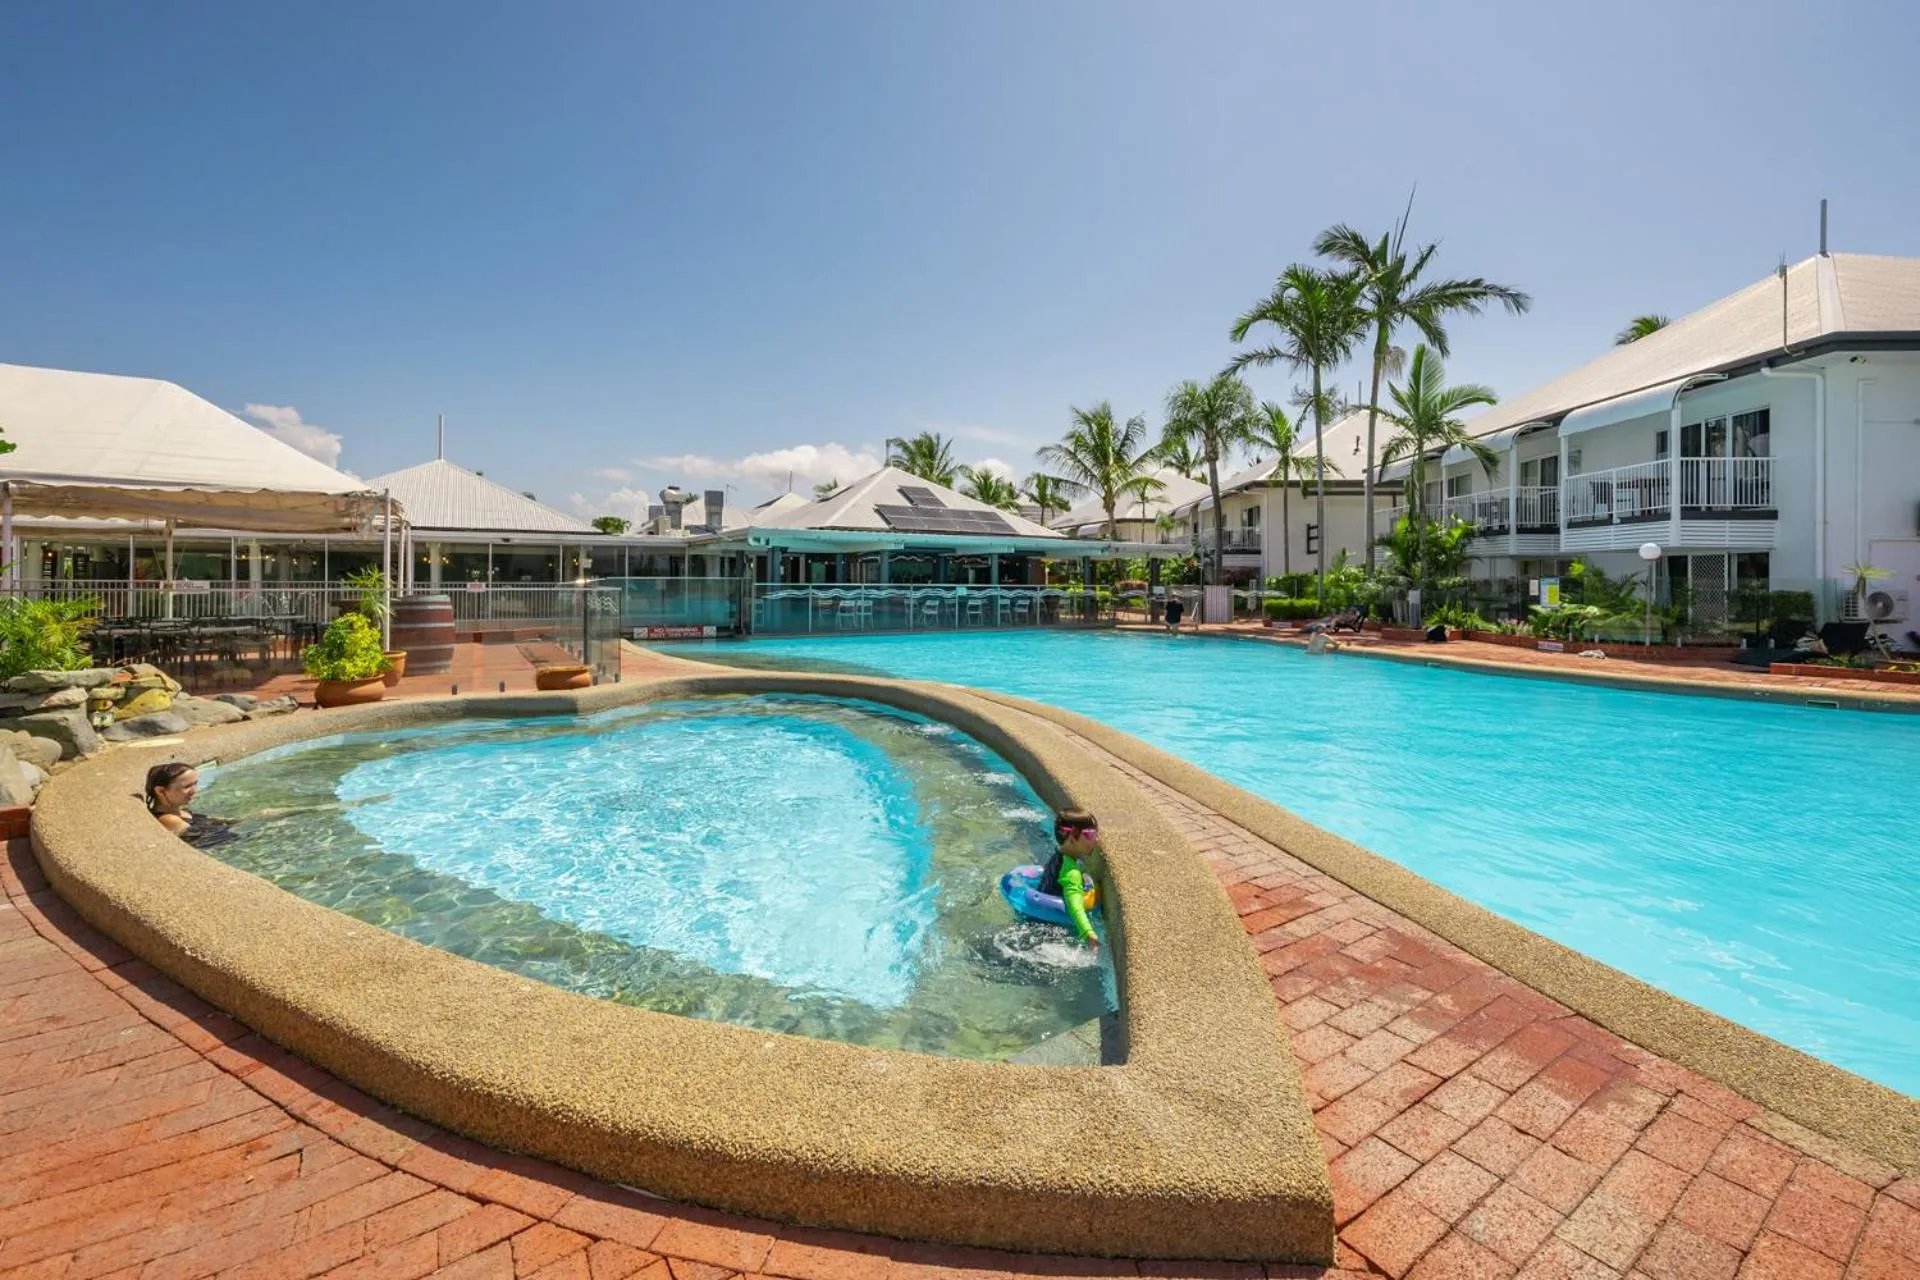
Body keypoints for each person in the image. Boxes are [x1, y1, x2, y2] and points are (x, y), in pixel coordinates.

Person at [1039, 807, 1101, 951]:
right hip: (1052, 934)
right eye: (1090, 835)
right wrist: (1088, 933)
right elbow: (1075, 906)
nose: (1096, 840)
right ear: (1072, 838)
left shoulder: (1058, 857)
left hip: (1040, 922)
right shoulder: (1071, 872)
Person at [145, 763, 236, 849]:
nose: (194, 791)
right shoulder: (169, 819)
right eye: (187, 786)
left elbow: (217, 823)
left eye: (195, 784)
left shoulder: (181, 811)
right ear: (160, 791)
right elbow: (203, 844)